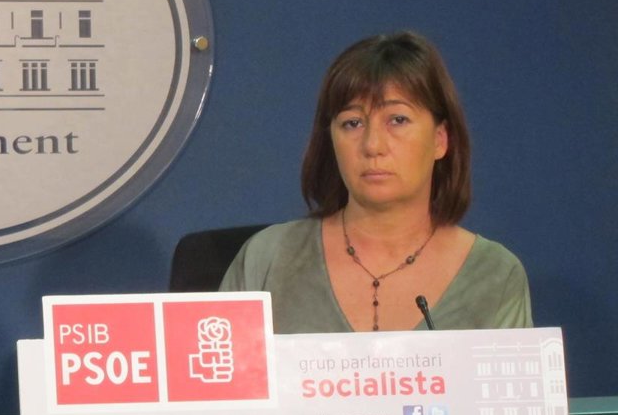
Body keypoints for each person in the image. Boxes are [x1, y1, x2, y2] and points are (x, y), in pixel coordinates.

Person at [220, 32, 531, 332]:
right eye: (352, 123)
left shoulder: (496, 276)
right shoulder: (267, 258)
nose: (372, 145)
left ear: (440, 139)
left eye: (398, 120)